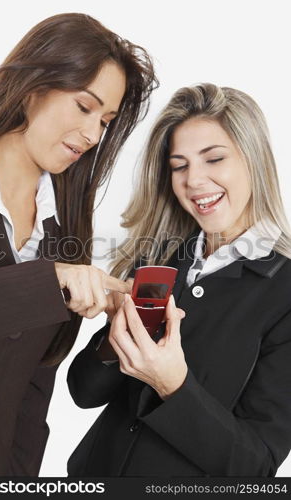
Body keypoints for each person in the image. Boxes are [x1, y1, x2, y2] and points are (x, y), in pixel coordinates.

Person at [67, 83, 291, 477]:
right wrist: (112, 341)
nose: (194, 181)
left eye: (214, 159)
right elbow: (83, 392)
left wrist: (173, 384)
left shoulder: (284, 289)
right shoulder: (161, 258)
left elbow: (254, 468)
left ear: (253, 160)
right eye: (179, 165)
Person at [0, 12, 157, 475]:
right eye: (84, 106)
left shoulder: (63, 230)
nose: (94, 134)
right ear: (34, 85)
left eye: (106, 119)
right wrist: (47, 282)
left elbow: (31, 392)